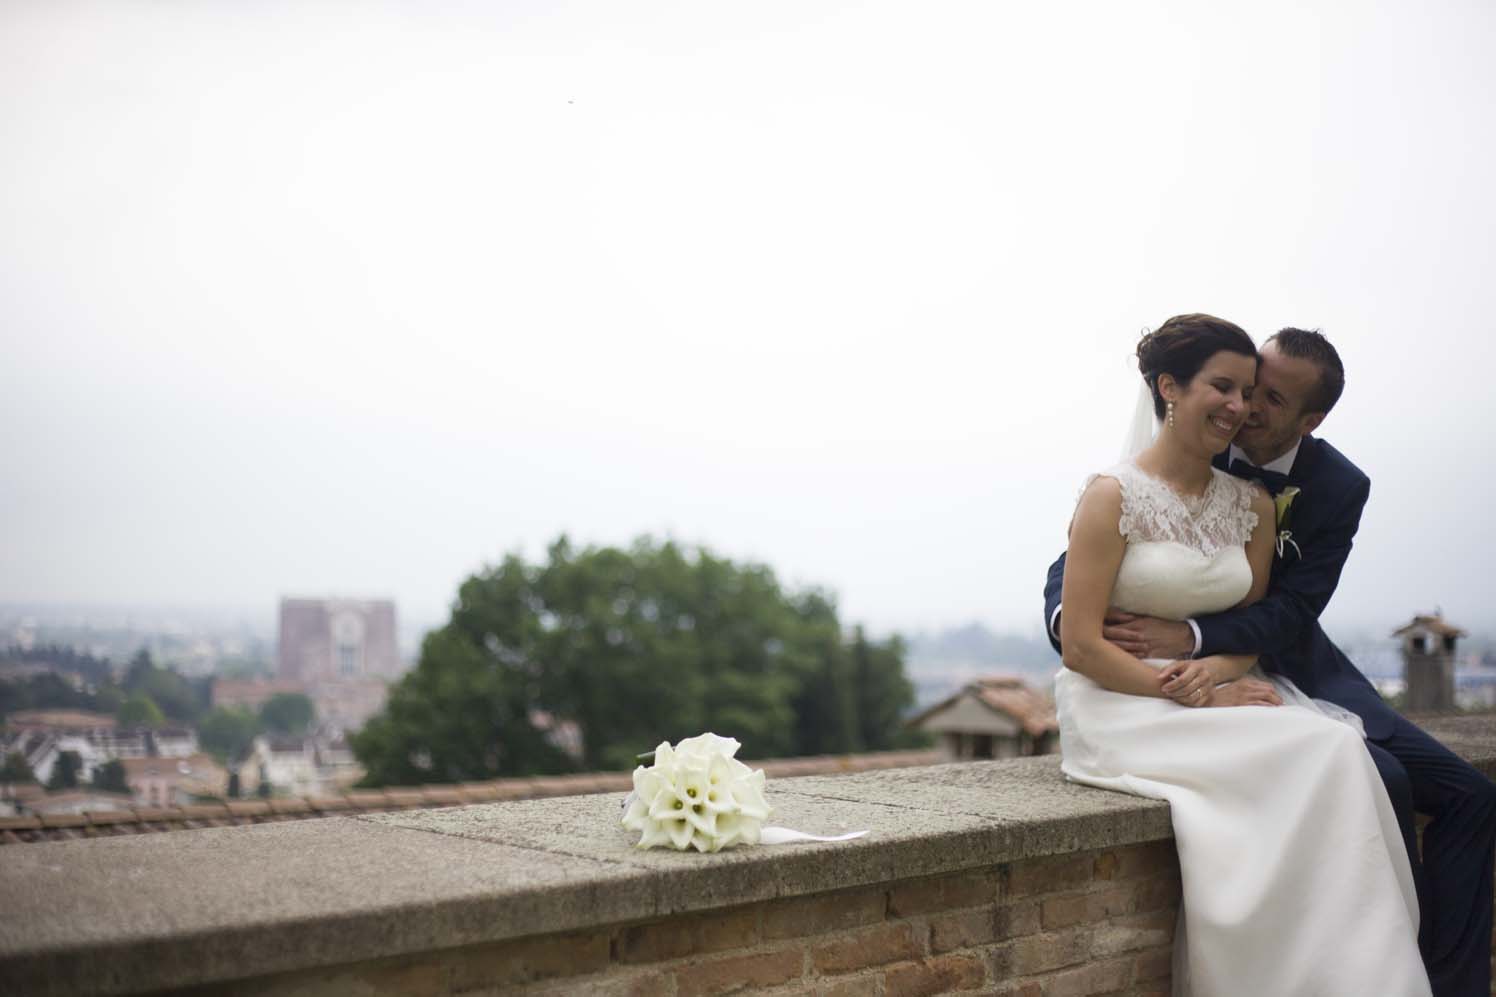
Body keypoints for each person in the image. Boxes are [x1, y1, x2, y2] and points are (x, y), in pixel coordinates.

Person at [1044, 325, 1496, 997]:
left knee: (1466, 795)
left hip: (1289, 665)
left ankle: (1435, 979)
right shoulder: (1181, 449)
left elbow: (1291, 609)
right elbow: (1074, 579)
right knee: (1376, 776)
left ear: (1309, 421)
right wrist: (1091, 634)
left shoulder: (1334, 486)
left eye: (1266, 397)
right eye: (1240, 386)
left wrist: (1198, 643)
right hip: (1159, 684)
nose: (1245, 408)